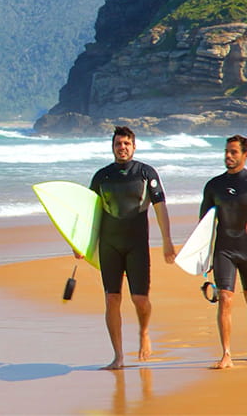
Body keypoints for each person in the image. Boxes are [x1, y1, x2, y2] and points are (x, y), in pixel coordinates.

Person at [86, 126, 176, 370]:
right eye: (118, 144)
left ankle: (144, 331)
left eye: (126, 143)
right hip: (109, 245)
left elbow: (160, 207)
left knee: (140, 299)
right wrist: (81, 243)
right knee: (112, 299)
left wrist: (167, 241)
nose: (122, 147)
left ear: (134, 147)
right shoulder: (101, 177)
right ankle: (118, 356)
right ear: (113, 147)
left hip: (137, 244)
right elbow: (90, 214)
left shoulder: (146, 173)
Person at [200, 134, 247, 369]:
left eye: (233, 152)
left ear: (245, 155)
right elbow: (204, 224)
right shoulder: (213, 186)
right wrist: (203, 255)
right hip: (224, 249)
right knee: (225, 298)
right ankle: (226, 353)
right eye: (226, 152)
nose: (228, 156)